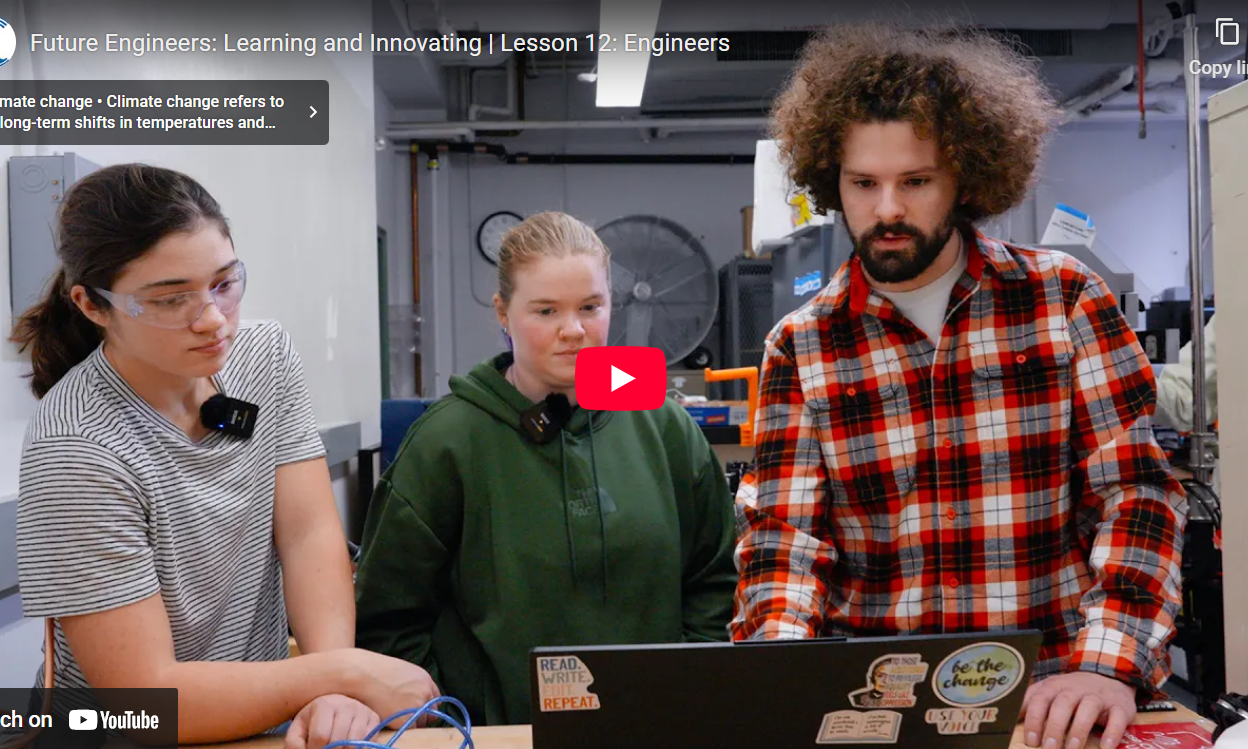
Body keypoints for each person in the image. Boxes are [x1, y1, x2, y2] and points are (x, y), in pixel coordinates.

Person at [730, 23, 1187, 749]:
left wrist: (1109, 664)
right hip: (879, 707)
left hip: (1052, 701)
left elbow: (1134, 495)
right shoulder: (802, 345)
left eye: (913, 181)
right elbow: (786, 542)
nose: (885, 209)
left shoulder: (1063, 301)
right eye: (862, 183)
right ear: (831, 182)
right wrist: (778, 671)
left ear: (965, 178)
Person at [11, 164, 437, 749]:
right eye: (170, 299)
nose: (212, 319)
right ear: (92, 306)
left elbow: (308, 532)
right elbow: (144, 701)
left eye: (224, 282)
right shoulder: (77, 447)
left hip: (260, 721)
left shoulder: (265, 357)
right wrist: (339, 674)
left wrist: (332, 689)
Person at [354, 211, 737, 726]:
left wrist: (686, 695)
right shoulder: (445, 444)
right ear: (502, 313)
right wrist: (452, 723)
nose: (573, 331)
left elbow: (714, 579)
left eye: (590, 307)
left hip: (655, 730)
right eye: (546, 311)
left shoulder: (664, 426)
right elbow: (388, 621)